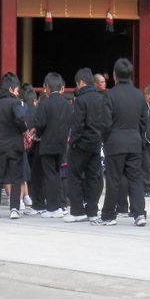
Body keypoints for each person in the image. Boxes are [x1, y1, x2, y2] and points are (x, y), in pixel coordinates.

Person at [97, 58, 148, 226]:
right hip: (134, 141)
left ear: (114, 74)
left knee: (113, 179)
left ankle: (109, 215)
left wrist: (106, 139)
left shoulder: (110, 95)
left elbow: (105, 122)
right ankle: (139, 213)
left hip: (115, 141)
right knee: (135, 178)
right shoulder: (139, 95)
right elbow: (144, 120)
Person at [0, 73, 28, 219]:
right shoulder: (15, 103)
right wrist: (24, 130)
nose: (18, 92)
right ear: (11, 89)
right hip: (14, 146)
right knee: (15, 178)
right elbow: (20, 118)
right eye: (17, 89)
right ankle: (14, 208)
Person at [65, 68, 105, 223]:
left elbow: (78, 125)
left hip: (81, 144)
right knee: (93, 177)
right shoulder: (101, 98)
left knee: (74, 176)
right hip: (96, 143)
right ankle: (92, 210)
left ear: (81, 83)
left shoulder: (81, 100)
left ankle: (77, 211)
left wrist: (72, 142)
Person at [34, 72, 71, 218]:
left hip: (47, 144)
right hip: (61, 144)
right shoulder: (67, 104)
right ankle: (60, 205)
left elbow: (40, 124)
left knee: (50, 176)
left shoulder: (44, 104)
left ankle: (52, 207)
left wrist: (38, 133)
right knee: (57, 174)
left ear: (47, 87)